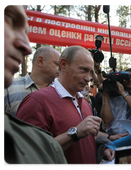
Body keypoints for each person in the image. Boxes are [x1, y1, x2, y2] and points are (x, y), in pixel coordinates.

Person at [16, 45, 114, 165]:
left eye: (91, 72)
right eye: (83, 70)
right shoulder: (37, 101)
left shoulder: (84, 102)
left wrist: (102, 148)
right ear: (63, 64)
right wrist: (74, 133)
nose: (88, 78)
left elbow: (84, 141)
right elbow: (28, 153)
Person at [2, 3, 67, 164]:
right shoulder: (8, 90)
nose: (27, 48)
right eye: (10, 20)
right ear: (40, 61)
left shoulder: (62, 94)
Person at [2, 46, 60, 116]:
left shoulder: (60, 92)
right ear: (40, 61)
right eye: (57, 64)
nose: (61, 69)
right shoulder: (8, 87)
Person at [100, 68, 131, 135]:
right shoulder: (113, 94)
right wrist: (105, 96)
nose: (129, 80)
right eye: (127, 78)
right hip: (112, 136)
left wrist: (123, 93)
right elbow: (107, 120)